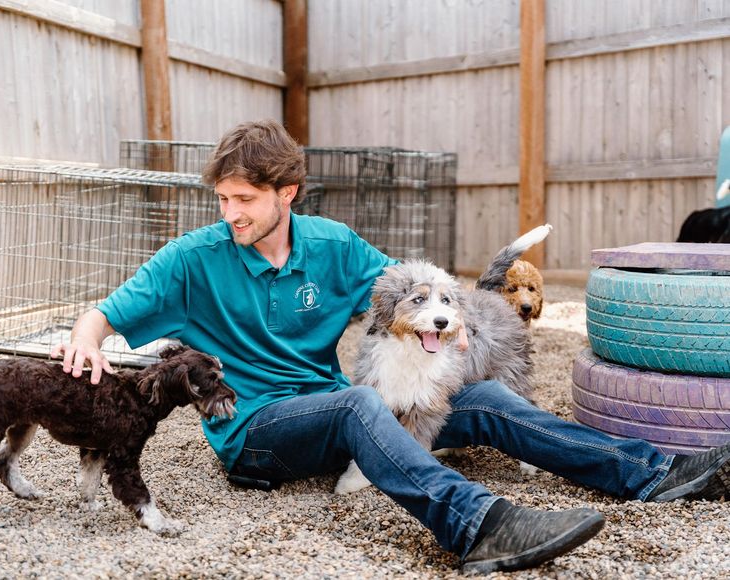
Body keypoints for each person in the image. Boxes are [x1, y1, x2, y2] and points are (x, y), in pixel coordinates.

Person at [52, 119, 730, 574]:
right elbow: (104, 314)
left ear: (287, 192)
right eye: (223, 199)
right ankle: (475, 527)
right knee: (359, 405)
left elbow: (414, 288)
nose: (230, 213)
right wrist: (88, 342)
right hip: (254, 432)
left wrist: (451, 317)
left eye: (245, 199)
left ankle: (653, 473)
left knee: (484, 396)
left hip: (339, 410)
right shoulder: (192, 260)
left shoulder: (332, 245)